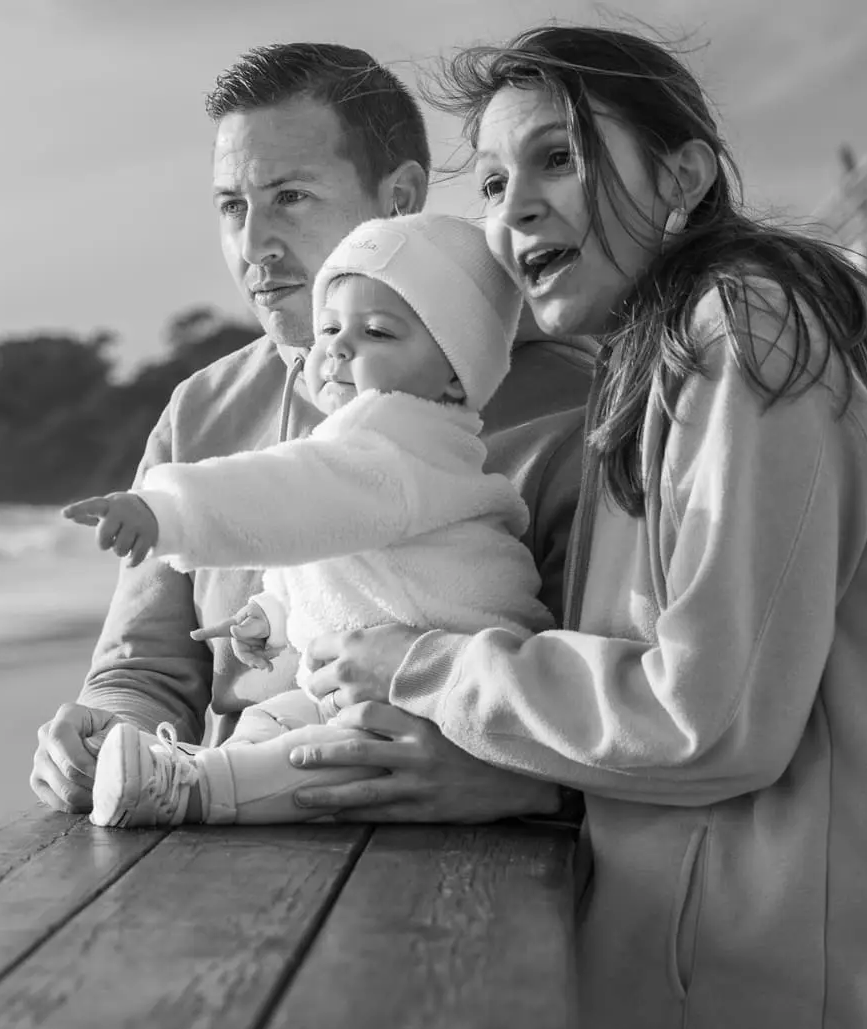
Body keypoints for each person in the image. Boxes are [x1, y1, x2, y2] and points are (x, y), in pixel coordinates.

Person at [301, 24, 867, 1029]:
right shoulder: (668, 362)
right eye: (492, 183)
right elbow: (724, 716)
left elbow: (707, 719)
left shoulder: (752, 332)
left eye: (557, 158)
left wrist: (410, 660)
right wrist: (525, 774)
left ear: (684, 176)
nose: (515, 212)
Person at [29, 43, 595, 824]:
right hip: (227, 848)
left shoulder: (578, 406)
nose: (253, 245)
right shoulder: (200, 411)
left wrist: (530, 786)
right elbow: (148, 666)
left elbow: (635, 708)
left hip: (477, 870)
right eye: (232, 206)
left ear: (400, 200)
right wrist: (103, 729)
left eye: (289, 196)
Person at [60, 212, 553, 827]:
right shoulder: (365, 452)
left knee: (327, 754)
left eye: (376, 333)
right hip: (368, 687)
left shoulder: (399, 450)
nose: (339, 347)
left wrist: (165, 510)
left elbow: (286, 495)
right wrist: (270, 617)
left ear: (455, 377)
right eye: (329, 329)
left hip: (436, 709)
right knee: (272, 721)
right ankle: (212, 766)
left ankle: (196, 787)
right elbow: (332, 560)